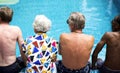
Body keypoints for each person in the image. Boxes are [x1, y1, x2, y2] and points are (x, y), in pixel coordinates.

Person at [0, 6, 25, 73]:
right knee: (22, 58)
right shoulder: (16, 30)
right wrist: (26, 63)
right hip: (12, 67)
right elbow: (22, 49)